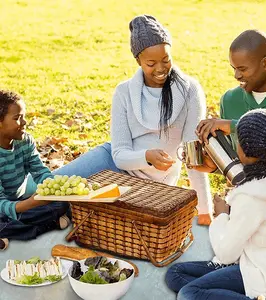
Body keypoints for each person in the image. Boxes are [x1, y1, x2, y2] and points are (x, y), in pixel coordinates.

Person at [53, 15, 214, 225]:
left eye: (166, 60)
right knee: (49, 187)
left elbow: (193, 156)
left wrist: (204, 210)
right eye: (151, 63)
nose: (160, 68)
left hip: (148, 186)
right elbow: (119, 155)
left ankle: (61, 216)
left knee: (76, 206)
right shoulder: (124, 92)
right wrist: (146, 156)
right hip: (112, 163)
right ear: (138, 61)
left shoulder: (190, 90)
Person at [165, 108, 266, 300]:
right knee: (175, 274)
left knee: (189, 293)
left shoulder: (251, 197)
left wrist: (222, 215)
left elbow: (226, 253)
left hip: (259, 273)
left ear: (245, 150)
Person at [196, 28, 266, 263]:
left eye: (242, 69)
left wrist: (234, 126)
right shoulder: (230, 100)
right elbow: (244, 161)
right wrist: (216, 166)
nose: (236, 76)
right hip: (249, 206)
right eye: (233, 68)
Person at [0, 90, 70, 251]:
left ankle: (11, 232)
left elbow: (40, 171)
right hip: (5, 207)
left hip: (21, 201)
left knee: (64, 203)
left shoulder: (25, 141)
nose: (24, 122)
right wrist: (29, 204)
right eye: (17, 118)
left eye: (23, 116)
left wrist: (54, 190)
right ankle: (47, 224)